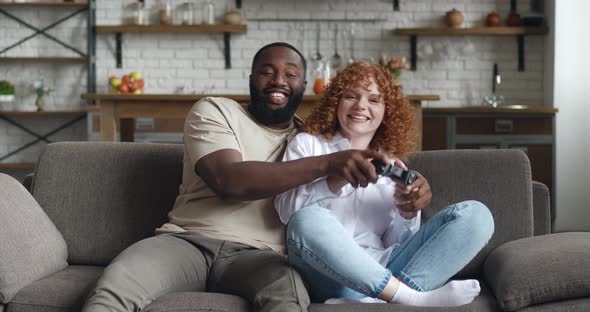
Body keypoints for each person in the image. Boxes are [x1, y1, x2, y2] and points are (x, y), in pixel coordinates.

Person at [81, 42, 393, 312]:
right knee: (117, 284)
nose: (278, 81)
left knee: (287, 294)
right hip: (187, 242)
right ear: (251, 79)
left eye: (291, 74)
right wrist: (328, 163)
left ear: (303, 85)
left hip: (262, 257)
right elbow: (229, 180)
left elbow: (346, 202)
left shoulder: (309, 141)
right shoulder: (216, 111)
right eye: (267, 71)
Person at [274, 62, 495, 307]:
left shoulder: (392, 165)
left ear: (386, 111)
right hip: (326, 273)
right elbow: (286, 213)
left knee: (477, 215)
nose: (361, 106)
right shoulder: (307, 145)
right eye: (351, 96)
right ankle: (408, 299)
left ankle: (375, 300)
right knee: (308, 219)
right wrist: (336, 176)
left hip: (383, 267)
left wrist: (407, 211)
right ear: (336, 102)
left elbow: (395, 243)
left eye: (374, 100)